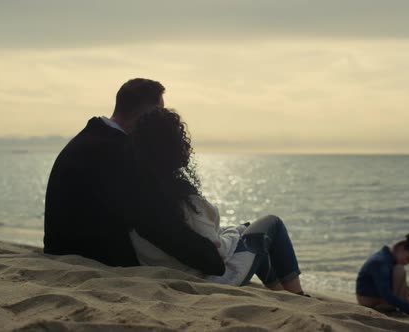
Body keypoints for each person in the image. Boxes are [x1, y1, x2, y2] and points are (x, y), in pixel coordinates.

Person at [43, 78, 225, 276]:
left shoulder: (91, 138)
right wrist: (210, 259)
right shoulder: (115, 152)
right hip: (91, 259)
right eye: (159, 111)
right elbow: (156, 224)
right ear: (147, 114)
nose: (160, 118)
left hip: (64, 251)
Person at [128, 107, 306, 295]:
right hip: (206, 280)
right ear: (173, 148)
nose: (187, 146)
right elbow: (216, 254)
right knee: (272, 224)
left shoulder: (138, 192)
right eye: (181, 140)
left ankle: (279, 291)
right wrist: (234, 237)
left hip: (166, 273)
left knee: (245, 232)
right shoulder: (181, 197)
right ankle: (299, 295)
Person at [356, 234, 409, 317]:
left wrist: (408, 296)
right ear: (401, 248)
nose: (406, 263)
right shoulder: (381, 262)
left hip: (374, 295)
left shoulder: (388, 259)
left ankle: (399, 304)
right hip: (367, 299)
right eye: (407, 259)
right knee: (400, 270)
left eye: (408, 263)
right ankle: (388, 308)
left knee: (399, 270)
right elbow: (386, 294)